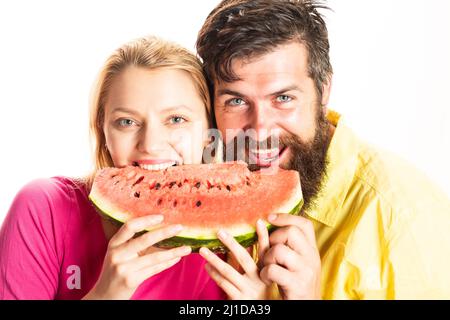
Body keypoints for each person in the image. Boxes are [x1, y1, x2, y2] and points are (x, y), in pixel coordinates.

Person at [195, 0, 450, 299]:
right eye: (236, 101)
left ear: (323, 89)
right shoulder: (205, 184)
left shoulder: (404, 218)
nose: (260, 130)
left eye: (283, 98)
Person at [0, 36, 228, 300]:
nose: (151, 145)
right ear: (104, 132)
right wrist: (104, 295)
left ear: (209, 134)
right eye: (127, 122)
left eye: (176, 119)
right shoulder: (44, 208)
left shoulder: (227, 246)